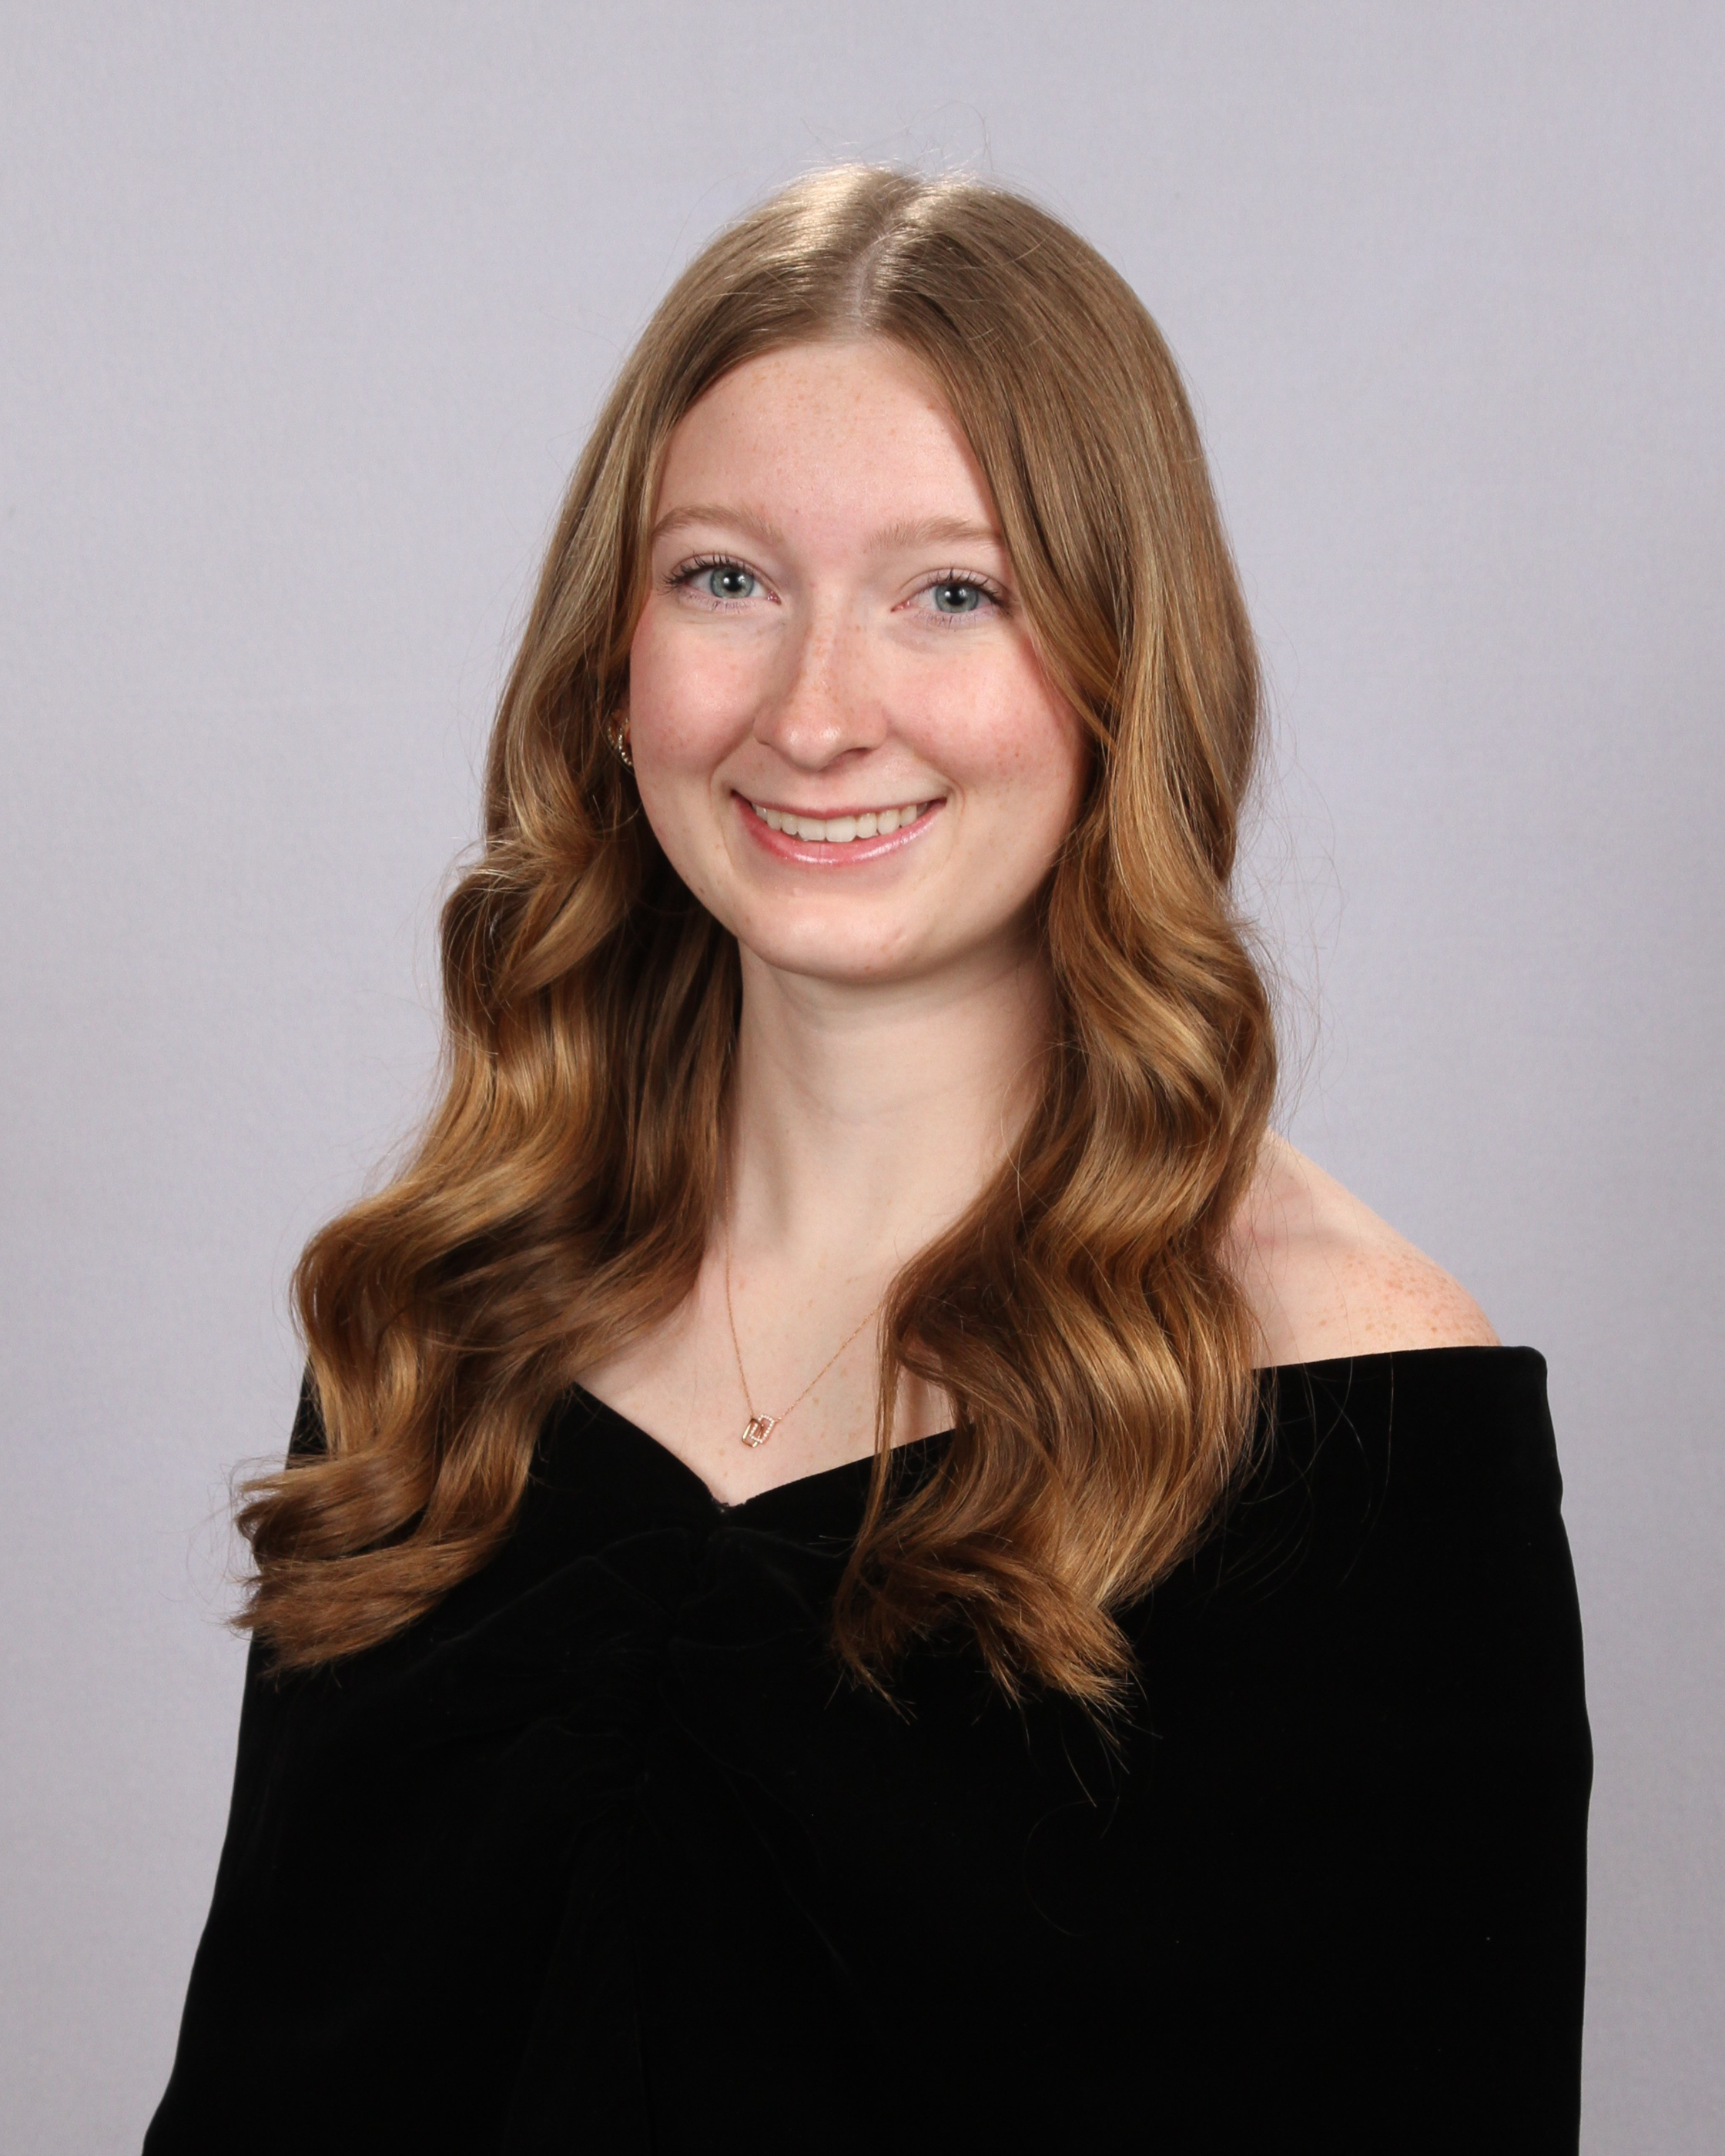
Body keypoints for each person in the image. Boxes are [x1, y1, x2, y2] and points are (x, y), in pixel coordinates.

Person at [145, 166, 1590, 2153]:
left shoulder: (1355, 1402)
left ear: (1122, 668)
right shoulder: (449, 1315)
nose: (816, 716)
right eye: (724, 581)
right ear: (611, 659)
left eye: (953, 593)